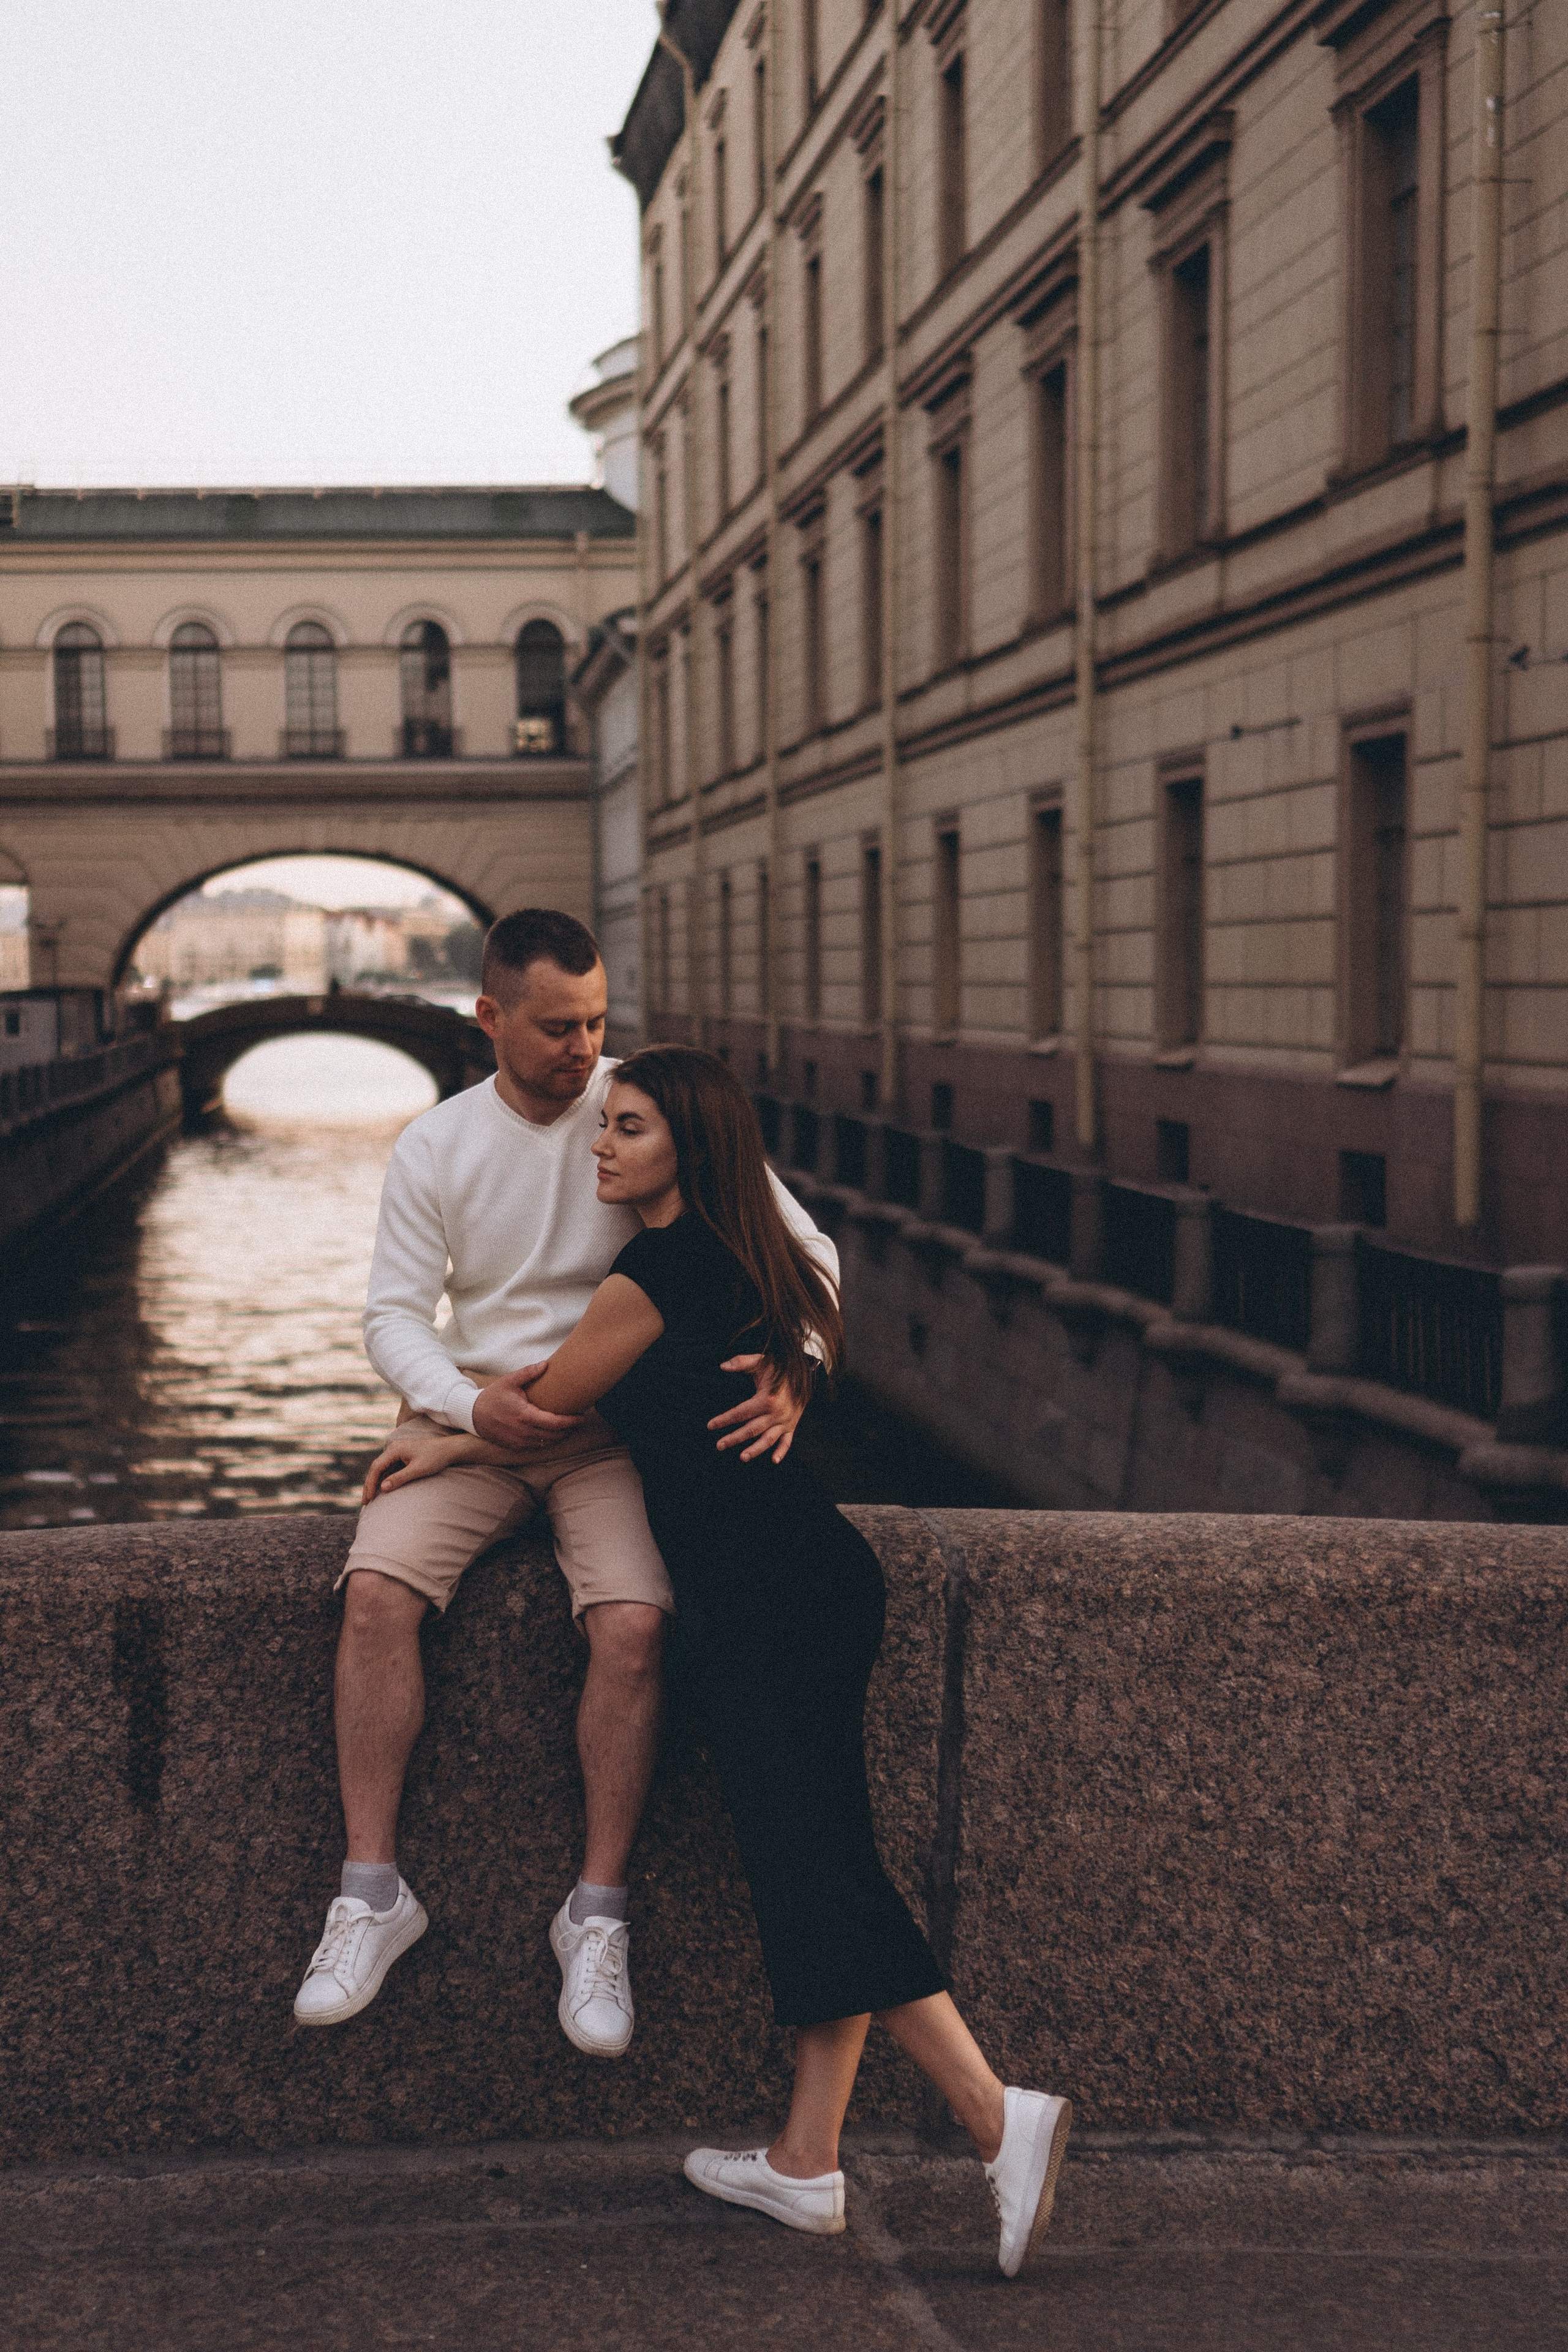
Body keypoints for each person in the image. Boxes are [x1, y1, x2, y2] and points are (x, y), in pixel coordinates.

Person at [362, 1044, 1072, 2279]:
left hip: (764, 1604)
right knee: (815, 1859)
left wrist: (441, 1444)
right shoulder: (747, 1259)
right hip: (809, 1580)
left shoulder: (647, 1273)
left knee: (822, 1866)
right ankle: (805, 2163)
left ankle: (993, 2114)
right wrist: (792, 1367)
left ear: (684, 1146)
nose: (600, 1143)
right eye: (603, 1127)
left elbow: (548, 1406)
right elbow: (655, 1367)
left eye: (626, 1128)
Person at [292, 913, 837, 2053]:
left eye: (596, 1021)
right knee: (377, 1595)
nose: (585, 1049)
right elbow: (393, 1316)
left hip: (611, 1432)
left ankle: (595, 1917)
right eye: (555, 1027)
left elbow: (808, 1256)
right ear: (489, 1017)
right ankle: (372, 1893)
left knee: (634, 1624)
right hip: (476, 1418)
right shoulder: (436, 1145)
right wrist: (461, 1405)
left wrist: (799, 1367)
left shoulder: (643, 1108)